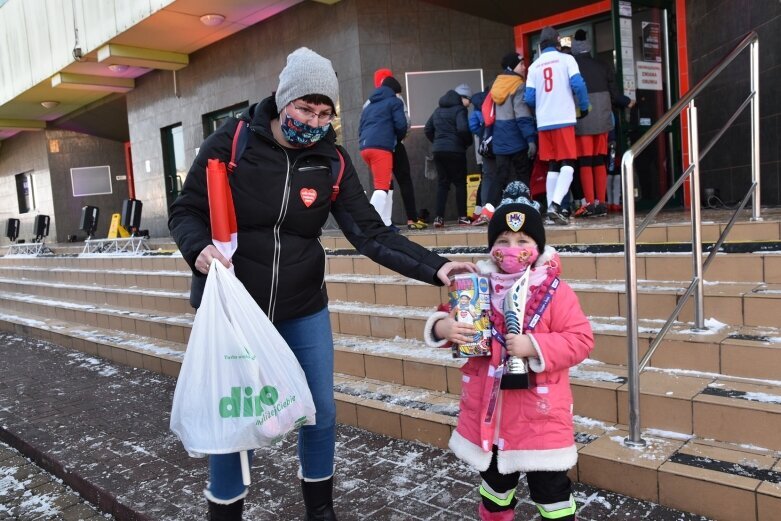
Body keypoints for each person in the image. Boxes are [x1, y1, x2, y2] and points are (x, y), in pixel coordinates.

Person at [168, 47, 476, 521]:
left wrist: (437, 266)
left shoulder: (330, 161)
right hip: (234, 308)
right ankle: (225, 512)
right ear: (283, 99)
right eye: (305, 109)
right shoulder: (231, 142)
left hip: (302, 305)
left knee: (320, 411)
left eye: (325, 112)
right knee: (234, 414)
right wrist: (197, 250)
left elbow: (370, 232)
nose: (313, 121)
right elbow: (186, 209)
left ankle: (321, 510)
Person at [423, 181, 594, 521]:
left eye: (522, 241)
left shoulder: (555, 290)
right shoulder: (475, 286)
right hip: (491, 417)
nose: (512, 248)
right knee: (495, 490)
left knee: (553, 495)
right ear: (491, 248)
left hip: (540, 417)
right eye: (502, 241)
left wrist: (535, 345)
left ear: (537, 245)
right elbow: (449, 316)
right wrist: (444, 327)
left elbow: (581, 339)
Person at [525, 26, 590, 225]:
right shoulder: (567, 59)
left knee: (553, 164)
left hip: (544, 122)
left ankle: (550, 214)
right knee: (568, 162)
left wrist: (544, 105)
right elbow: (578, 85)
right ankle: (554, 205)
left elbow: (529, 97)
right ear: (558, 41)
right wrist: (584, 106)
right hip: (563, 118)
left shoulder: (534, 66)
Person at [571, 29, 634, 218]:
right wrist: (627, 101)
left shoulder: (571, 66)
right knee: (599, 160)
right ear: (588, 48)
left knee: (585, 161)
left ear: (574, 49)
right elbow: (615, 95)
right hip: (603, 119)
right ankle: (601, 201)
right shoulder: (603, 65)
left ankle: (590, 203)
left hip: (582, 118)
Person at [370, 68, 429, 230]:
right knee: (405, 181)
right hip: (394, 145)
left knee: (384, 184)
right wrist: (400, 137)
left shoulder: (370, 101)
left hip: (375, 147)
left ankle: (383, 221)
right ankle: (411, 218)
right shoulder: (396, 97)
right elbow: (406, 121)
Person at [481, 52, 537, 221]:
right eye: (521, 64)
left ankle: (488, 210)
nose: (524, 67)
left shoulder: (496, 84)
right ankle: (527, 208)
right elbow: (522, 116)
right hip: (516, 137)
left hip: (500, 139)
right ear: (513, 66)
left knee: (500, 175)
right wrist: (530, 139)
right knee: (522, 173)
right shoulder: (518, 85)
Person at [359, 73, 408, 229]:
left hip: (365, 148)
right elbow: (401, 125)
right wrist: (397, 139)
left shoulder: (369, 105)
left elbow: (361, 128)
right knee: (381, 188)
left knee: (387, 184)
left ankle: (386, 223)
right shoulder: (394, 101)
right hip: (381, 148)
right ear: (395, 91)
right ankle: (367, 226)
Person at [424, 83, 474, 227]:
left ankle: (438, 218)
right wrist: (466, 143)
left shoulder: (437, 110)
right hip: (455, 151)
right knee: (459, 183)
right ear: (459, 99)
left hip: (438, 151)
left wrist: (437, 142)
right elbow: (463, 129)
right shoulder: (460, 110)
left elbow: (428, 129)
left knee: (442, 184)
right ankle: (462, 217)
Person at [468, 85, 496, 226]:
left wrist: (481, 133)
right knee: (500, 175)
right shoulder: (494, 101)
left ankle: (484, 208)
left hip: (483, 145)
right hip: (497, 142)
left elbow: (471, 126)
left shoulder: (478, 107)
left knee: (486, 177)